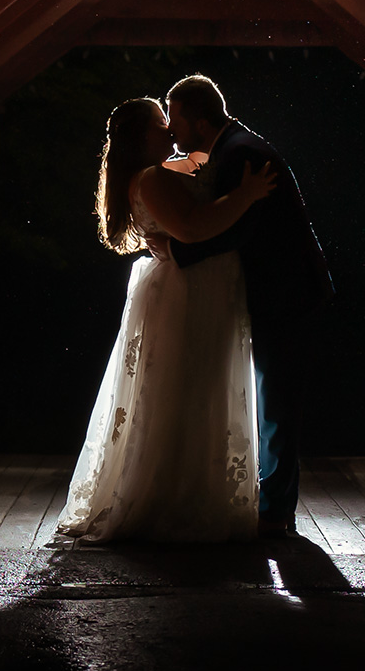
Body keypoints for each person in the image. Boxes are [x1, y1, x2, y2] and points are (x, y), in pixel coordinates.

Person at [52, 96, 278, 543]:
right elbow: (194, 228)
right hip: (186, 293)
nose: (169, 130)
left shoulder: (154, 173)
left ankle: (187, 489)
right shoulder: (152, 178)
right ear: (141, 137)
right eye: (161, 124)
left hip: (183, 287)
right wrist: (247, 195)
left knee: (183, 391)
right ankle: (177, 498)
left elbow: (196, 163)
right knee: (187, 391)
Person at [152, 75, 333, 538]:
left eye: (174, 118)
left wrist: (176, 249)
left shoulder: (241, 154)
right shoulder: (230, 147)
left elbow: (236, 229)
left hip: (288, 293)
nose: (171, 130)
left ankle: (275, 514)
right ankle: (273, 507)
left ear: (196, 118)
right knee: (274, 399)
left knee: (277, 403)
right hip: (280, 290)